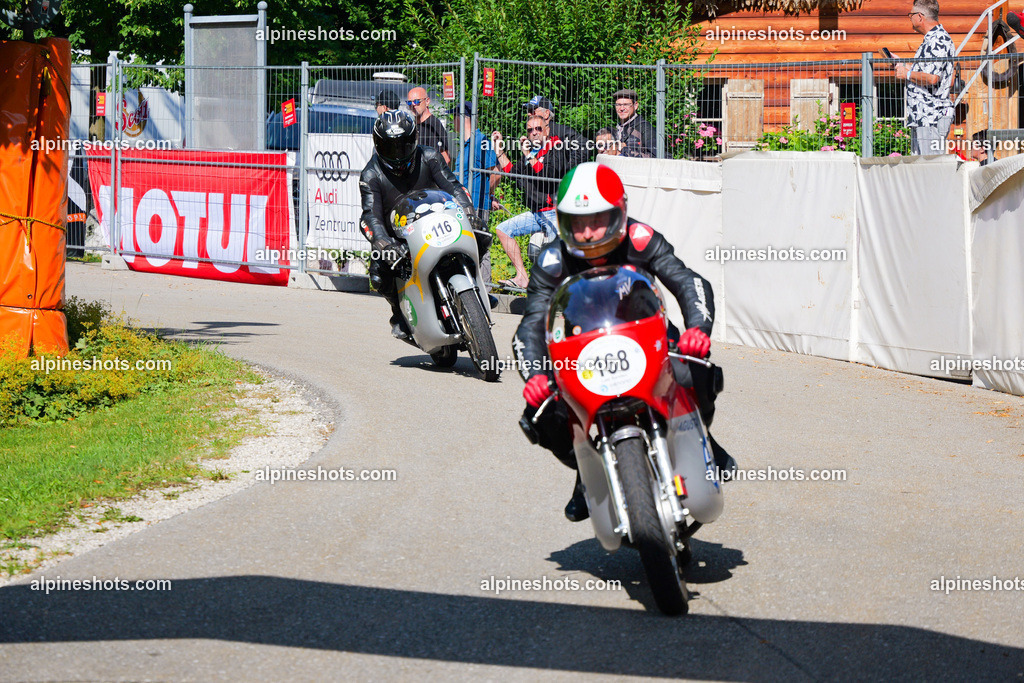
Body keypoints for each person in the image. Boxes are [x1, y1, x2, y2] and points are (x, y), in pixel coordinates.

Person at [511, 162, 735, 522]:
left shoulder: (640, 238)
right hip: (581, 350)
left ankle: (702, 438)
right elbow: (532, 323)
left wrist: (698, 330)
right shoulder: (552, 260)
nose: (587, 233)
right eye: (576, 223)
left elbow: (688, 282)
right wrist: (535, 375)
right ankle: (588, 472)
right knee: (541, 414)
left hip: (650, 339)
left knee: (695, 370)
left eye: (597, 220)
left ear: (620, 212)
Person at [359, 109, 488, 339]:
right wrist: (382, 242)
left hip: (436, 221)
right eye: (391, 147)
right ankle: (400, 314)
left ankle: (476, 289)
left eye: (404, 145)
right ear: (378, 145)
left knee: (481, 232)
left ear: (414, 140)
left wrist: (467, 210)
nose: (398, 154)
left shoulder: (429, 157)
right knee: (379, 274)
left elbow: (453, 186)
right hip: (398, 238)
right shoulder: (371, 175)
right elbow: (370, 215)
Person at [490, 114, 572, 289]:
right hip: (537, 213)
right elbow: (513, 172)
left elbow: (547, 175)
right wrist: (499, 149)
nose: (534, 133)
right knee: (503, 230)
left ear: (547, 131)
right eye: (530, 130)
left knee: (557, 261)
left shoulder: (556, 147)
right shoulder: (533, 152)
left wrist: (527, 153)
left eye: (538, 129)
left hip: (554, 213)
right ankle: (521, 277)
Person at [893, 0, 955, 155]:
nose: (910, 19)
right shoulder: (931, 40)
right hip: (923, 116)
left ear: (920, 17)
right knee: (922, 168)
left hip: (931, 116)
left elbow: (933, 78)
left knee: (930, 166)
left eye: (911, 15)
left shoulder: (937, 41)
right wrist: (901, 65)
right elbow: (926, 72)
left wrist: (907, 74)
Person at [523, 95, 590, 167]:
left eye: (532, 111)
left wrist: (567, 168)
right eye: (528, 111)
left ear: (546, 113)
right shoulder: (532, 133)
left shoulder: (561, 131)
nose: (528, 114)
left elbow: (586, 145)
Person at [407, 86, 451, 164]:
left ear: (427, 101)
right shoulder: (412, 125)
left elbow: (445, 159)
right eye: (409, 102)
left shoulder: (434, 125)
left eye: (417, 101)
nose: (413, 105)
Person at [612, 88, 657, 158]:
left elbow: (655, 156)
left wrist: (624, 150)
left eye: (626, 104)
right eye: (618, 105)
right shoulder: (616, 129)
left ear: (635, 105)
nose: (621, 108)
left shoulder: (645, 129)